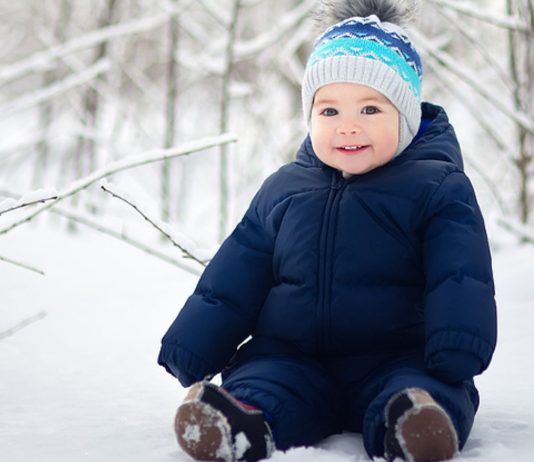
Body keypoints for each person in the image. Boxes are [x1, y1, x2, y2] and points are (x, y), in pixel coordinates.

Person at [157, 1, 498, 461]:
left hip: (398, 356)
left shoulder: (436, 187)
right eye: (330, 110)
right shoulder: (284, 189)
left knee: (423, 388)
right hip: (293, 356)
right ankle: (239, 424)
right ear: (310, 115)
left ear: (406, 116)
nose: (349, 125)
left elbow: (459, 273)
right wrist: (192, 345)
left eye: (371, 109)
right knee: (263, 381)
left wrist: (458, 347)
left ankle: (411, 426)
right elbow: (235, 275)